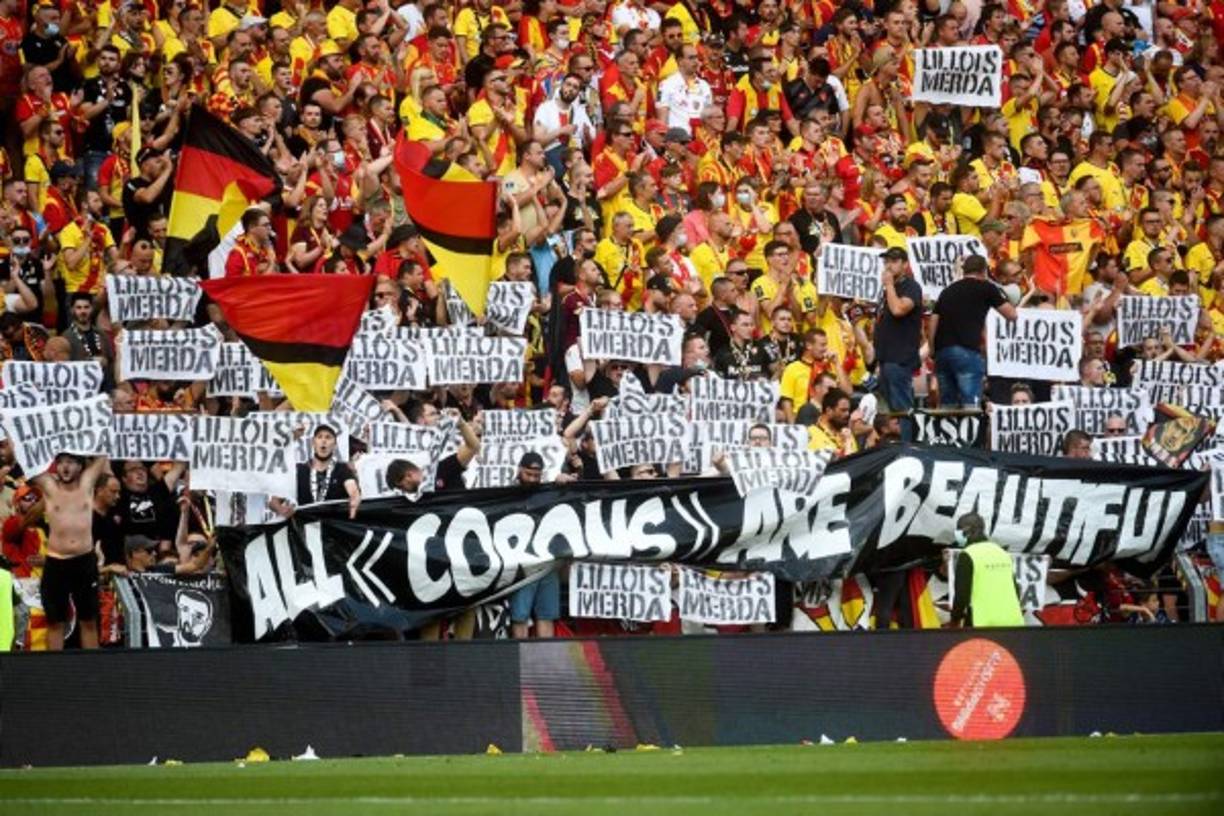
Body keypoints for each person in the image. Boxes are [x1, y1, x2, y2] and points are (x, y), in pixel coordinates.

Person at [31, 453, 111, 650]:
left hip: (84, 562)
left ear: (80, 465)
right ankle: (53, 672)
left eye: (70, 462)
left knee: (89, 620)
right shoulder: (50, 486)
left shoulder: (87, 483)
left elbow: (103, 453)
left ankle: (93, 672)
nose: (65, 467)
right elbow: (27, 460)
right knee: (55, 622)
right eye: (60, 463)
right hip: (56, 563)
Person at [929, 255, 1018, 408]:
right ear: (984, 271)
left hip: (942, 353)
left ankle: (949, 431)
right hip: (967, 352)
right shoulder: (986, 287)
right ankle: (970, 432)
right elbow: (1012, 314)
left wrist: (932, 349)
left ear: (964, 271)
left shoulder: (947, 291)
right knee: (970, 405)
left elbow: (933, 320)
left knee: (947, 406)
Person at [509, 452, 558, 639]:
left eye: (536, 476)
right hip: (522, 563)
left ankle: (546, 663)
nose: (532, 479)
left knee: (547, 614)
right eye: (528, 474)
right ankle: (523, 662)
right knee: (520, 615)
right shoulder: (505, 494)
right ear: (519, 470)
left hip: (548, 561)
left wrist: (562, 484)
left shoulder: (548, 492)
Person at [874, 247, 922, 438]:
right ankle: (893, 447)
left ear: (905, 264)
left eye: (893, 261)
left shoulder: (911, 286)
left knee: (902, 411)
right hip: (885, 359)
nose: (888, 265)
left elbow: (899, 309)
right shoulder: (887, 289)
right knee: (889, 413)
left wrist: (889, 286)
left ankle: (907, 447)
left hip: (900, 359)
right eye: (886, 262)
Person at [949, 512, 1025, 628]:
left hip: (982, 625)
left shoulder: (968, 554)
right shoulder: (1001, 552)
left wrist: (955, 620)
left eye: (959, 529)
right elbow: (1016, 589)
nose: (957, 533)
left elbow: (962, 594)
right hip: (1013, 623)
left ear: (967, 530)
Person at [288, 425, 360, 518]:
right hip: (305, 527)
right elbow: (278, 497)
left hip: (334, 526)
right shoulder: (300, 469)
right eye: (319, 437)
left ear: (334, 445)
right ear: (313, 443)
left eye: (328, 437)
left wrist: (354, 500)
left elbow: (352, 489)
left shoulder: (342, 469)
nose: (323, 441)